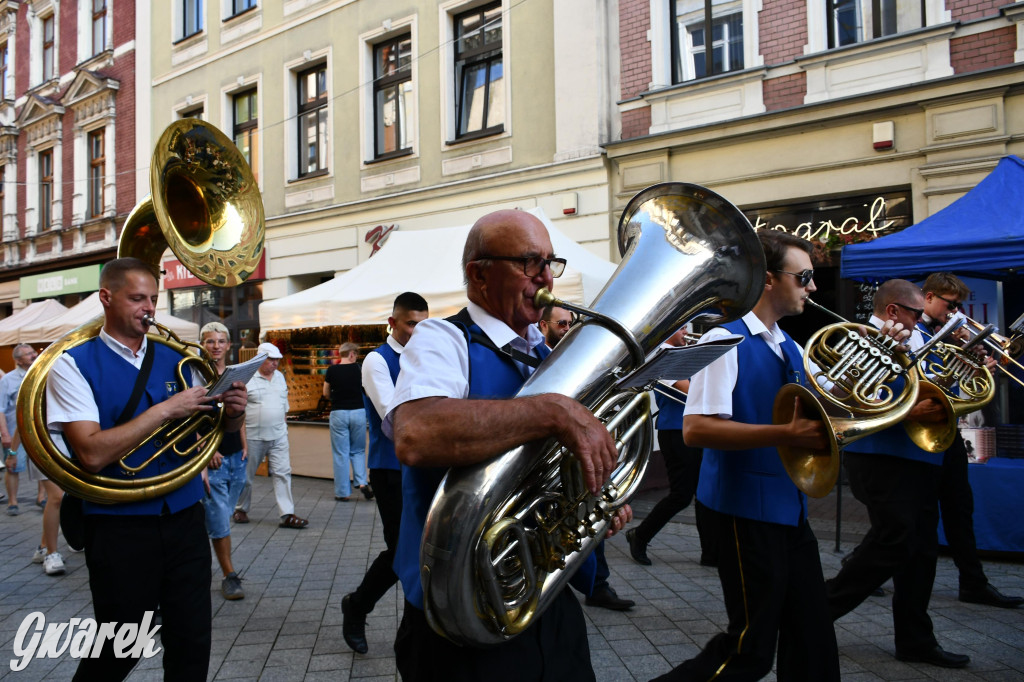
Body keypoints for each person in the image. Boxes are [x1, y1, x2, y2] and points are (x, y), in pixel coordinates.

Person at [385, 209, 631, 681]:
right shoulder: (444, 338)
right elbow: (415, 434)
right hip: (459, 604)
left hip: (543, 597)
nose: (545, 278)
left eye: (550, 264)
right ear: (479, 273)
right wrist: (554, 412)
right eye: (528, 263)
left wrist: (599, 497)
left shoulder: (549, 355)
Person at [45, 257, 247, 680]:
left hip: (184, 516)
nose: (149, 308)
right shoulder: (72, 363)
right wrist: (165, 410)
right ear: (106, 298)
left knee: (192, 644)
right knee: (118, 649)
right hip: (118, 525)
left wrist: (232, 415)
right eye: (137, 298)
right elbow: (92, 454)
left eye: (153, 298)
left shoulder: (178, 358)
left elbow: (212, 436)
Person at [653, 231, 841, 682]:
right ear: (769, 279)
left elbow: (834, 404)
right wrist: (785, 433)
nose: (813, 287)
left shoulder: (790, 346)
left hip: (788, 508)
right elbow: (696, 429)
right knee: (750, 649)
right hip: (744, 512)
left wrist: (894, 364)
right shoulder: (724, 339)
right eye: (804, 277)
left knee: (813, 636)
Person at [826, 278, 972, 668]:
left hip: (922, 457)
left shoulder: (921, 340)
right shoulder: (857, 338)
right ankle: (816, 610)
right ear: (893, 311)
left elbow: (939, 388)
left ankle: (915, 639)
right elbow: (837, 396)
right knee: (894, 540)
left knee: (921, 550)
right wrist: (910, 410)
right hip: (880, 456)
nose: (922, 321)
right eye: (916, 313)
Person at [918, 272, 1022, 608]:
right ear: (929, 297)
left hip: (948, 432)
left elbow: (961, 390)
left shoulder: (946, 334)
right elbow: (921, 383)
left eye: (959, 305)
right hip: (920, 434)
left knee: (960, 507)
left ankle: (973, 582)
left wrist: (979, 368)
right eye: (951, 304)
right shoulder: (915, 331)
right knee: (909, 517)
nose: (955, 311)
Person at [342, 292, 429, 655]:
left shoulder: (425, 355)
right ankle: (358, 605)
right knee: (401, 550)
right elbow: (395, 417)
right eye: (411, 324)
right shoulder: (376, 361)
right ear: (392, 323)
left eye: (424, 324)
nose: (418, 331)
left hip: (424, 463)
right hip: (390, 468)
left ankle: (422, 628)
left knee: (422, 548)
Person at [538, 305, 634, 611]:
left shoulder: (570, 360)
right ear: (543, 326)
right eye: (561, 324)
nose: (567, 328)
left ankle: (597, 584)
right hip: (550, 469)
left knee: (594, 516)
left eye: (570, 323)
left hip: (575, 461)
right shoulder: (542, 359)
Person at [626, 327, 716, 568]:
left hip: (691, 429)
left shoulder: (679, 352)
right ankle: (640, 535)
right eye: (683, 327)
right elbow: (688, 389)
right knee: (681, 494)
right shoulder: (663, 354)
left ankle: (711, 552)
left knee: (703, 492)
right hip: (675, 430)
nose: (687, 332)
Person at [3, 344, 66, 575]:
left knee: (60, 499)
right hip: (41, 446)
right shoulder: (30, 384)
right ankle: (51, 553)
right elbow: (22, 422)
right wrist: (11, 453)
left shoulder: (62, 380)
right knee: (56, 497)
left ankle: (43, 547)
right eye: (30, 353)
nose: (35, 355)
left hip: (66, 445)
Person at [234, 342, 309, 529]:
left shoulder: (280, 378)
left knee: (283, 473)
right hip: (253, 436)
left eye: (277, 360)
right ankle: (240, 508)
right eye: (271, 359)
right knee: (247, 475)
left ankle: (287, 514)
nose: (275, 363)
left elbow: (284, 405)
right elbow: (238, 413)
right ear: (260, 359)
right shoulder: (247, 379)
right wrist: (242, 441)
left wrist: (284, 427)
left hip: (278, 435)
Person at [199, 322, 248, 600]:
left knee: (223, 516)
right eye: (209, 341)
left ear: (229, 345)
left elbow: (238, 411)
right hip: (213, 459)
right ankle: (229, 575)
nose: (215, 346)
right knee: (219, 518)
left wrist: (244, 445)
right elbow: (191, 419)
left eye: (220, 341)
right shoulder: (196, 375)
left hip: (234, 457)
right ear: (202, 344)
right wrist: (205, 452)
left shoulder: (233, 375)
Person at [324, 342, 372, 501]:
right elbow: (367, 390)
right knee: (358, 450)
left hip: (338, 412)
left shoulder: (332, 370)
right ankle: (362, 482)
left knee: (341, 453)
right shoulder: (359, 369)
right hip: (358, 412)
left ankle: (343, 492)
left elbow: (325, 392)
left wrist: (335, 398)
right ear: (352, 354)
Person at [2, 345, 37, 516]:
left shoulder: (41, 373)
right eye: (28, 354)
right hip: (14, 431)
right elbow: (0, 409)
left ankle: (42, 497)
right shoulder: (7, 380)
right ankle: (12, 501)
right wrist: (5, 433)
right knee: (13, 467)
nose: (34, 355)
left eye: (33, 352)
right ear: (18, 360)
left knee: (42, 464)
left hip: (36, 431)